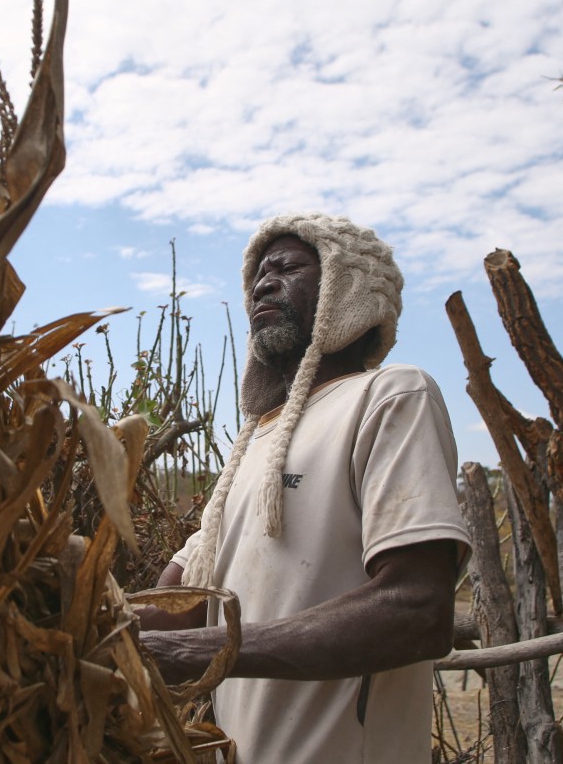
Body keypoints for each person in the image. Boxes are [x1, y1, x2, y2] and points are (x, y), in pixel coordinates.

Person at [138, 213, 471, 763]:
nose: (263, 285)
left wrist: (196, 652)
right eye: (257, 275)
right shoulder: (253, 444)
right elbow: (182, 605)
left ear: (350, 289)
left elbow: (417, 608)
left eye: (288, 268)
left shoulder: (390, 396)